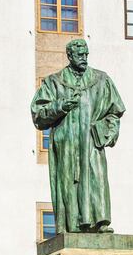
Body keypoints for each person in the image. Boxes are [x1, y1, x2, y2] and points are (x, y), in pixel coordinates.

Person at [31, 39, 125, 234]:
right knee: (68, 184)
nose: (84, 58)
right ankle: (71, 226)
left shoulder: (101, 80)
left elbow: (115, 112)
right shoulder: (54, 82)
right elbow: (38, 114)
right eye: (80, 55)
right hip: (66, 145)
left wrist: (108, 131)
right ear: (70, 56)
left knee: (96, 178)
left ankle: (101, 223)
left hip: (91, 142)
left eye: (86, 55)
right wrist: (60, 106)